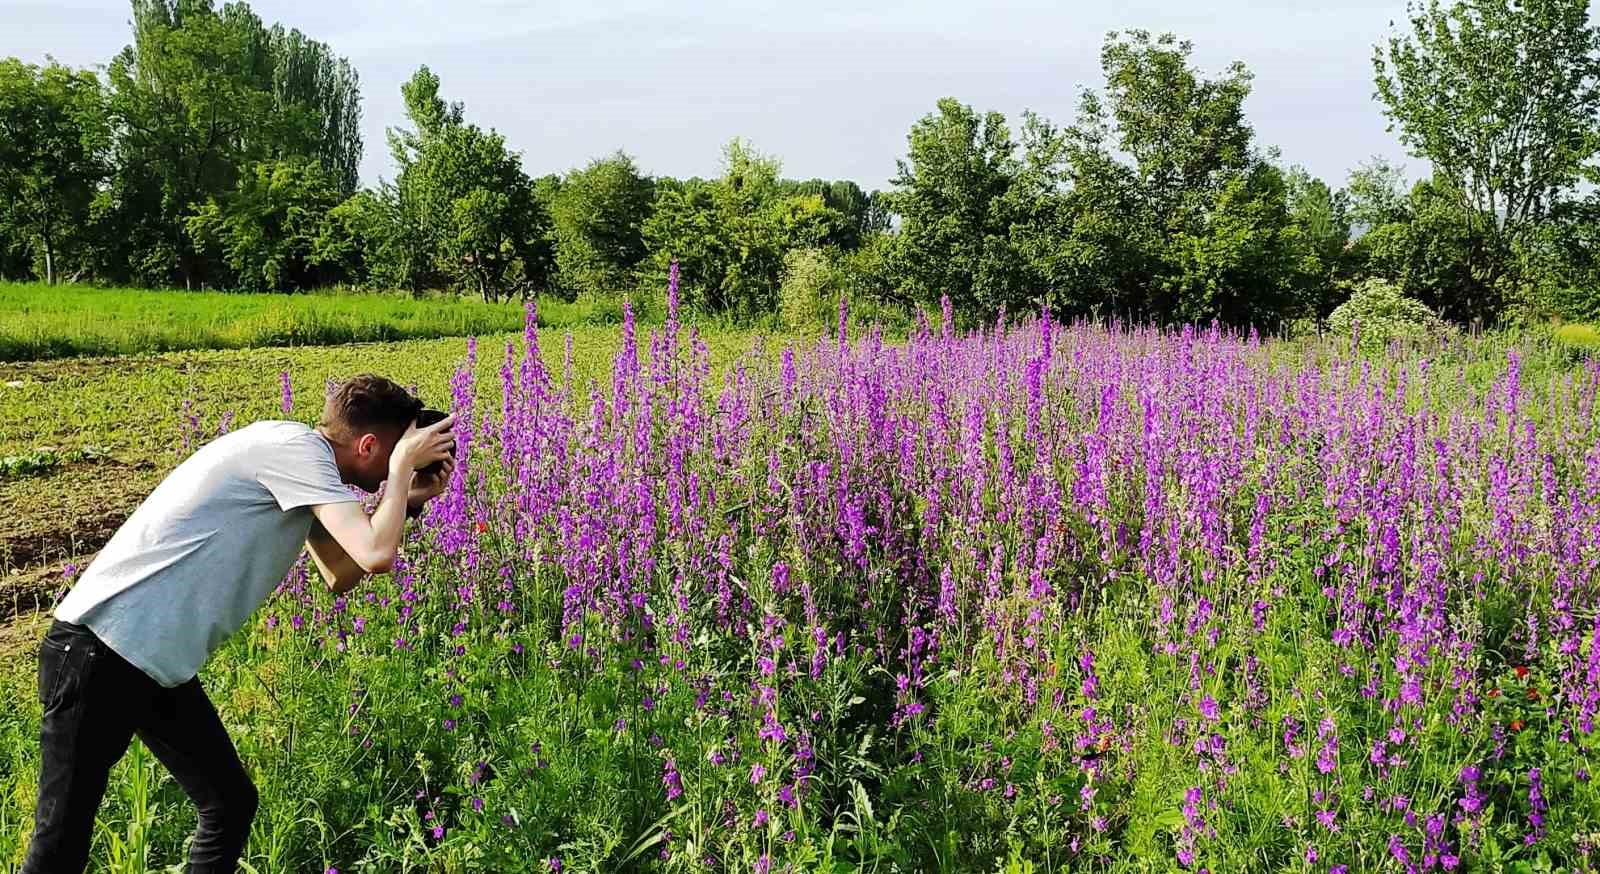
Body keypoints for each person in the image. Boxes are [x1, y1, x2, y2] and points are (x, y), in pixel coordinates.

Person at [21, 374, 456, 874]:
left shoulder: (305, 466)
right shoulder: (296, 453)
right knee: (60, 847)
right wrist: (402, 469)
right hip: (100, 652)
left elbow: (340, 572)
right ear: (369, 444)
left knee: (229, 803)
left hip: (152, 665)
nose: (385, 476)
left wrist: (412, 499)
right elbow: (376, 554)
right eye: (393, 454)